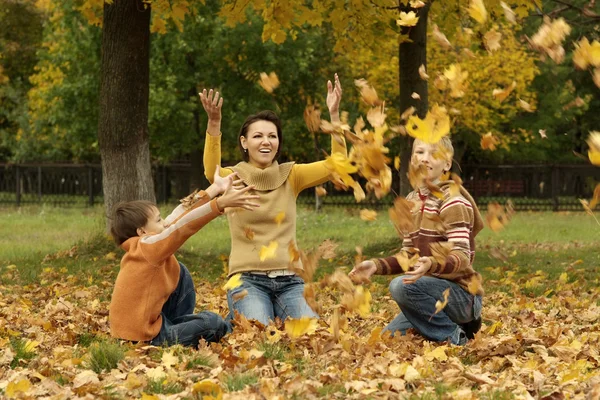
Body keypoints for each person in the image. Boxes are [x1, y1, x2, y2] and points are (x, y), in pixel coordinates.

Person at [199, 74, 346, 326]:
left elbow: (338, 165)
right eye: (258, 136)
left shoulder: (292, 175)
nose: (266, 141)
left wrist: (333, 117)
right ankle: (239, 315)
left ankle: (262, 312)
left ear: (278, 142)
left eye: (272, 136)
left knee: (310, 335)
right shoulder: (231, 177)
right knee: (258, 333)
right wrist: (214, 123)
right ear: (244, 143)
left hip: (290, 280)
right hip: (247, 279)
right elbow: (211, 171)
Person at [349, 136, 484, 345]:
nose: (425, 159)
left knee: (400, 286)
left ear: (447, 164)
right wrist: (376, 266)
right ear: (412, 160)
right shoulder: (411, 202)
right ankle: (451, 326)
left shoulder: (453, 201)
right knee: (387, 339)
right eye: (420, 152)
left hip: (462, 295)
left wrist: (432, 263)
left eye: (434, 154)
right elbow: (408, 257)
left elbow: (462, 257)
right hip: (430, 296)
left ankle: (455, 335)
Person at [108, 169, 259, 347]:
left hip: (145, 328)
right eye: (158, 220)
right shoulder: (148, 247)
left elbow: (177, 217)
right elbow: (181, 227)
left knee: (179, 270)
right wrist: (217, 204)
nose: (164, 222)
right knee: (212, 324)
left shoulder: (142, 246)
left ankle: (179, 324)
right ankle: (225, 328)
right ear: (142, 232)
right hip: (143, 337)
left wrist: (213, 189)